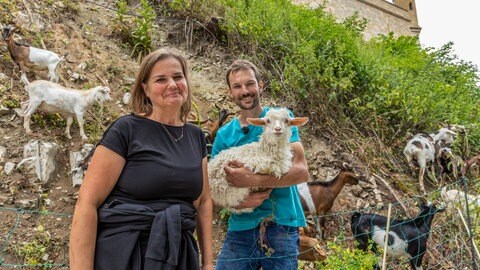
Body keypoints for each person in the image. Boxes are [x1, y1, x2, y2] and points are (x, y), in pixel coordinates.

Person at [69, 48, 213, 270]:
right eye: (161, 79)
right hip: (125, 253)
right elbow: (87, 203)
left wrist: (208, 263)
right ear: (145, 89)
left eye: (178, 76)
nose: (172, 85)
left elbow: (203, 202)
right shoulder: (126, 130)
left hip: (178, 256)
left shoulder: (196, 137)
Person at [212, 59, 309, 269]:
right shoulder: (224, 135)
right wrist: (236, 203)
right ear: (230, 92)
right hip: (240, 228)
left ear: (260, 85)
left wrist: (252, 179)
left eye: (250, 83)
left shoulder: (281, 118)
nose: (245, 91)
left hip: (281, 224)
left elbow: (301, 171)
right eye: (237, 86)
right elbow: (213, 188)